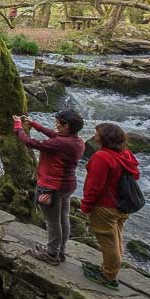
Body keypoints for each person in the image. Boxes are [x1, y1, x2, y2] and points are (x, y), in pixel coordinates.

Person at [12, 110, 86, 265]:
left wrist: (18, 126)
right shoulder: (77, 141)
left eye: (59, 122)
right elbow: (54, 134)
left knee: (52, 221)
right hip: (67, 185)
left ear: (66, 126)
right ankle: (61, 251)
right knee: (63, 218)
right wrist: (34, 124)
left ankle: (52, 254)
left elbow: (31, 143)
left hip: (51, 187)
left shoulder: (59, 143)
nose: (56, 124)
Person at [80, 123, 140, 289]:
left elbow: (94, 186)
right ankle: (110, 269)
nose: (94, 136)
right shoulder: (126, 154)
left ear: (105, 138)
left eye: (97, 133)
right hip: (123, 205)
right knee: (117, 238)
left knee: (108, 241)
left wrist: (85, 207)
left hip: (105, 206)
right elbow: (136, 174)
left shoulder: (102, 157)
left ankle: (109, 276)